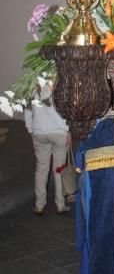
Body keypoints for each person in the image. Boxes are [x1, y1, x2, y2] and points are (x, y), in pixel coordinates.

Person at [24, 80, 71, 215]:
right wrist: (68, 130)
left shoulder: (32, 87)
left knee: (41, 169)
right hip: (59, 133)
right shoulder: (59, 86)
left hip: (39, 133)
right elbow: (66, 111)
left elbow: (27, 111)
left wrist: (31, 129)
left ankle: (39, 205)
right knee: (59, 169)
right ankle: (60, 205)